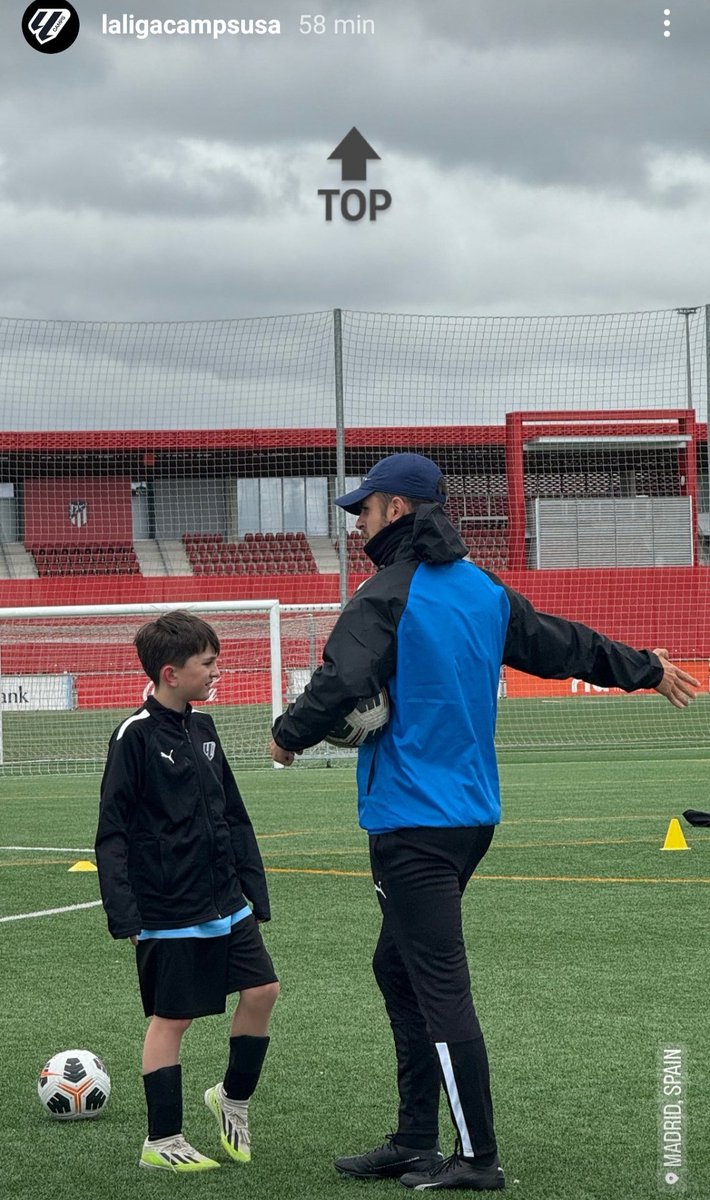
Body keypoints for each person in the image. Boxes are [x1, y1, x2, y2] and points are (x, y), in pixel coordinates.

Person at [270, 452, 698, 1192]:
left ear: (398, 510)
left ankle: (477, 1159)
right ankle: (412, 1139)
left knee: (437, 984)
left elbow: (339, 680)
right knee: (394, 967)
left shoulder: (385, 594)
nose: (357, 521)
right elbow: (564, 644)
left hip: (412, 822)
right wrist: (645, 667)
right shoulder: (483, 591)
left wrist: (287, 736)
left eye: (364, 509)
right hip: (469, 818)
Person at [95, 610, 279, 1173]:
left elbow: (233, 812)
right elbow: (112, 832)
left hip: (225, 899)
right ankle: (162, 1140)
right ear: (171, 673)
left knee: (263, 991)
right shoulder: (134, 736)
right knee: (172, 1021)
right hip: (167, 907)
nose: (216, 671)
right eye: (208, 663)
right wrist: (124, 913)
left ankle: (232, 1098)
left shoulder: (204, 729)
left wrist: (254, 886)